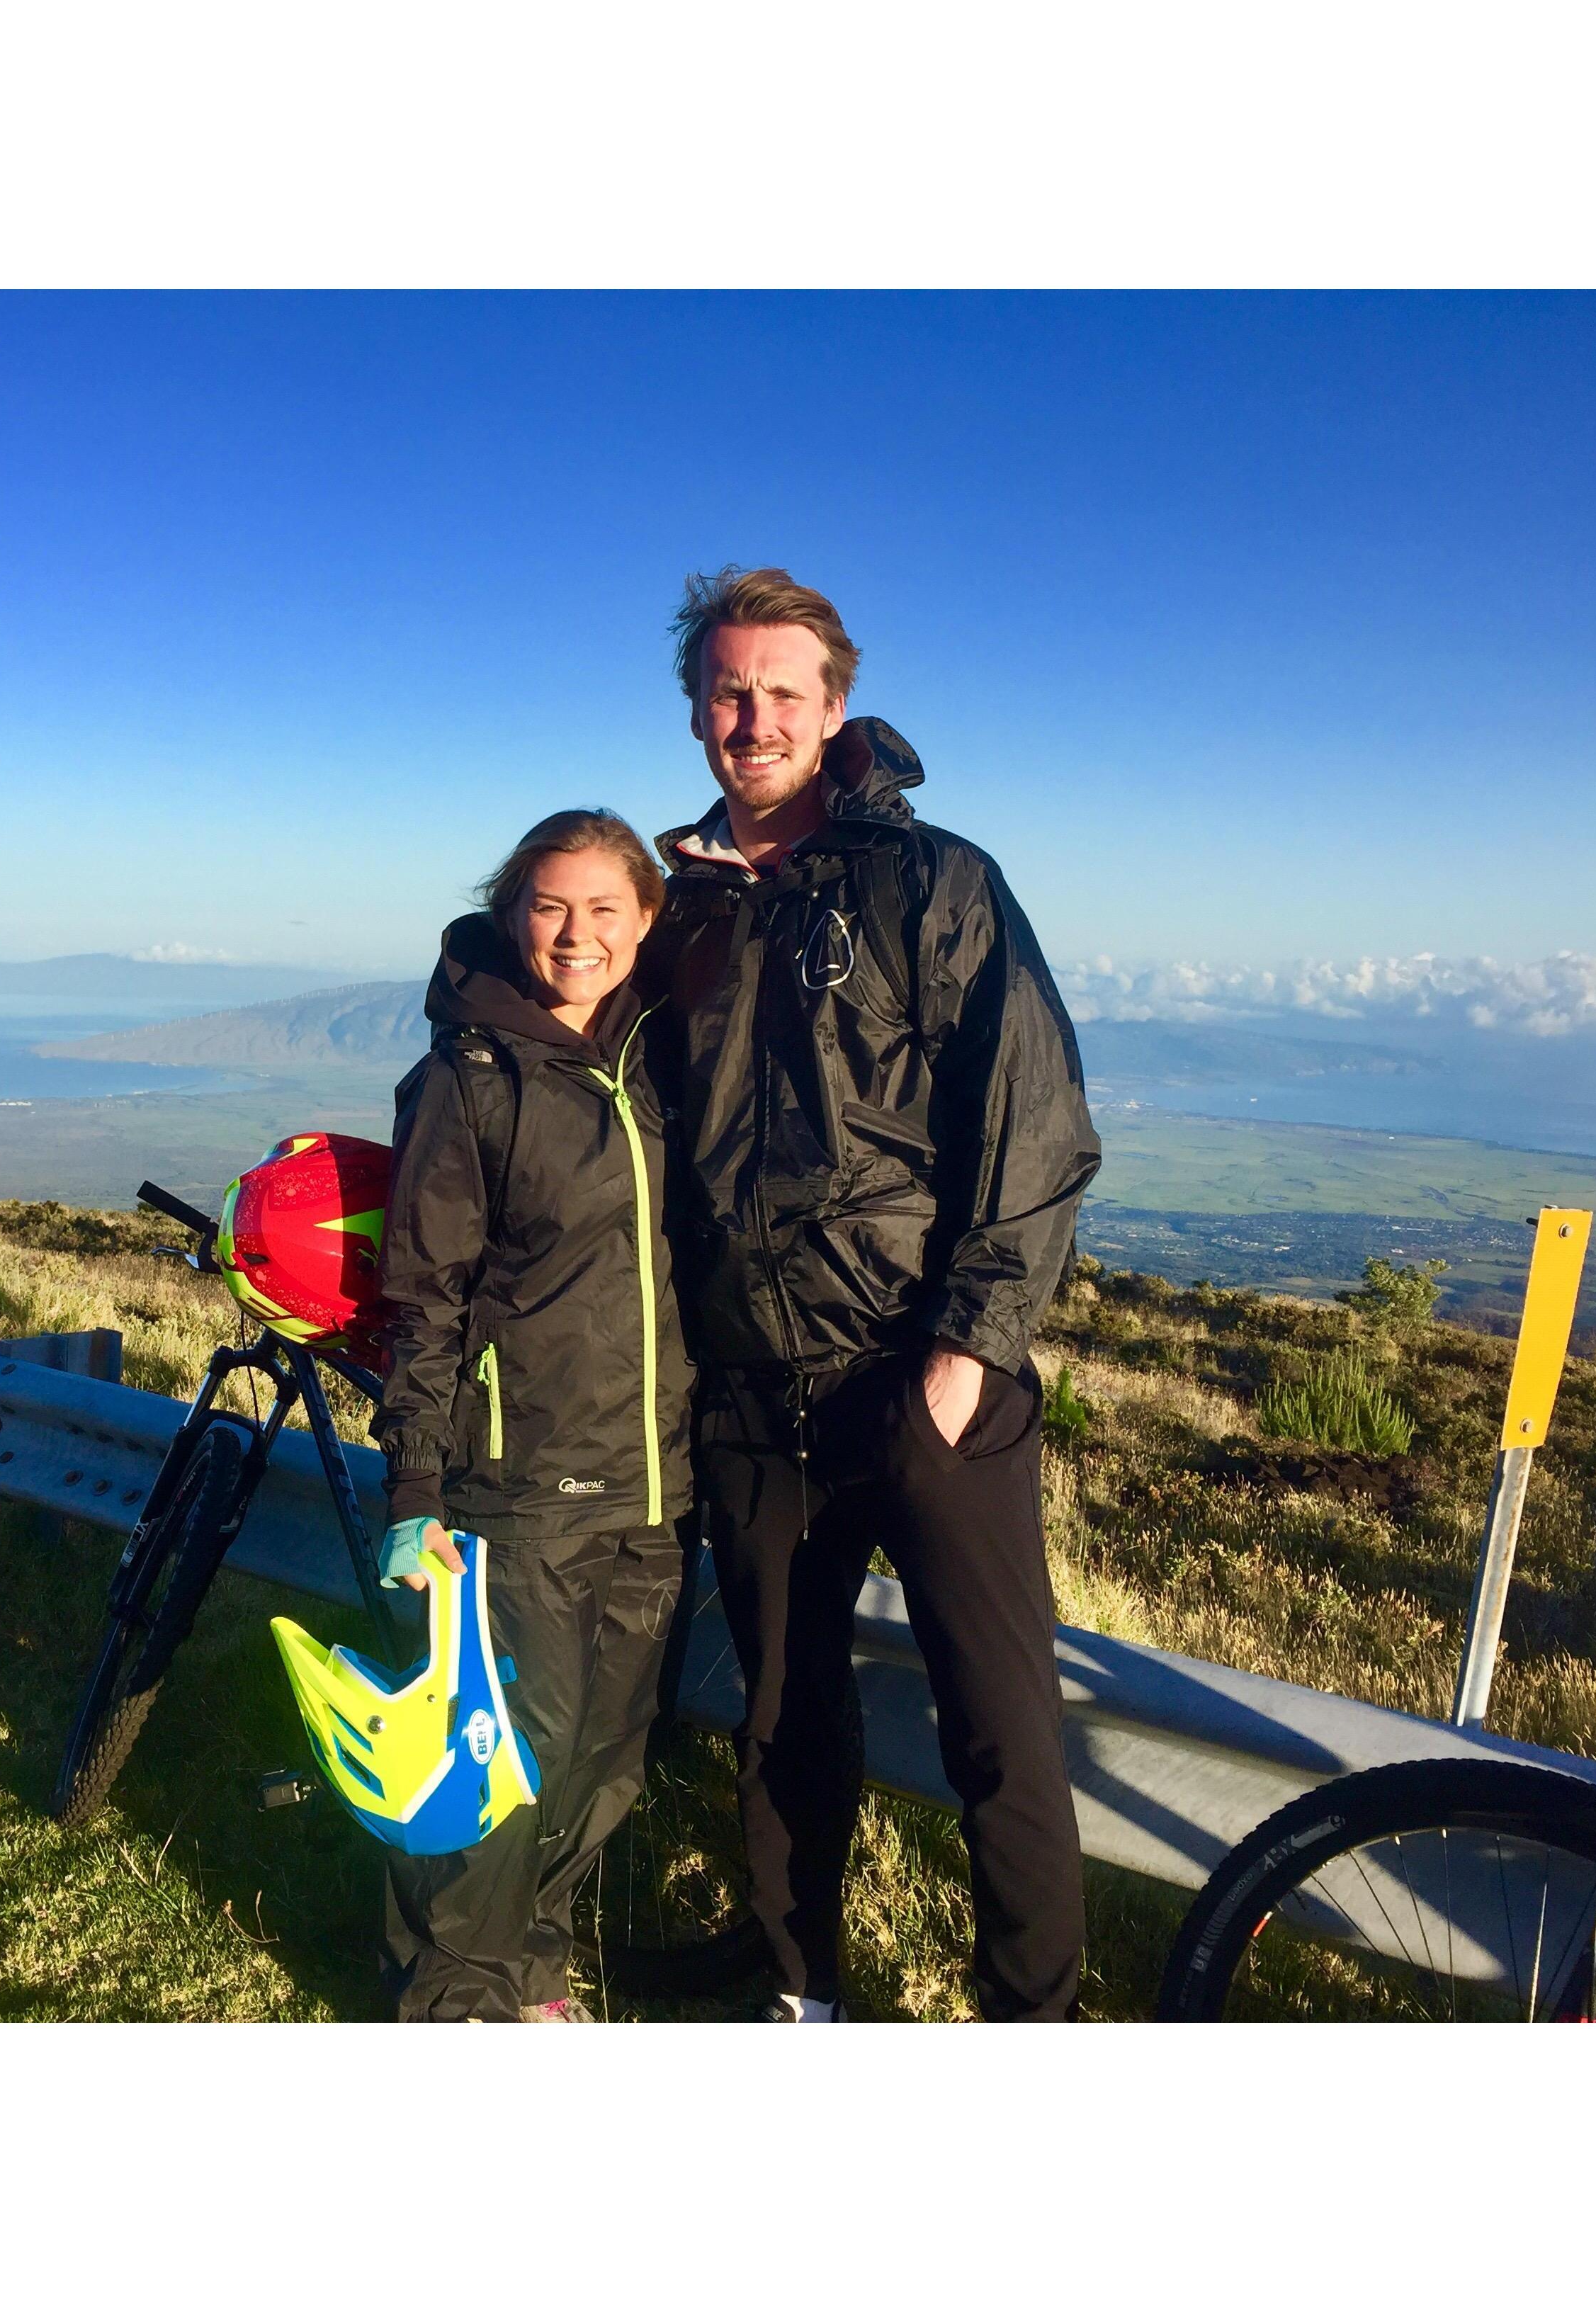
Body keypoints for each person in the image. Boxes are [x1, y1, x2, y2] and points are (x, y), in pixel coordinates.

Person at [647, 566, 1102, 2020]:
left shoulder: (932, 883)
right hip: (751, 1394)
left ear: (835, 706)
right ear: (696, 711)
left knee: (1001, 1736)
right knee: (783, 1725)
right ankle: (802, 1999)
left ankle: (1030, 2025)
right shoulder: (674, 907)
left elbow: (1035, 1126)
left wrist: (962, 1361)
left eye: (783, 692)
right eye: (730, 692)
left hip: (922, 1378)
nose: (755, 720)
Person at [372, 809, 692, 2022]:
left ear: (647, 918)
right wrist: (415, 1488)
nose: (576, 934)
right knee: (503, 1754)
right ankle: (455, 1997)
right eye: (550, 907)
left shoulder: (662, 1053)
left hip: (653, 1483)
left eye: (604, 908)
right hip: (520, 1486)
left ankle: (533, 1975)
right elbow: (425, 1298)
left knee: (604, 1762)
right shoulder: (468, 1078)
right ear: (512, 917)